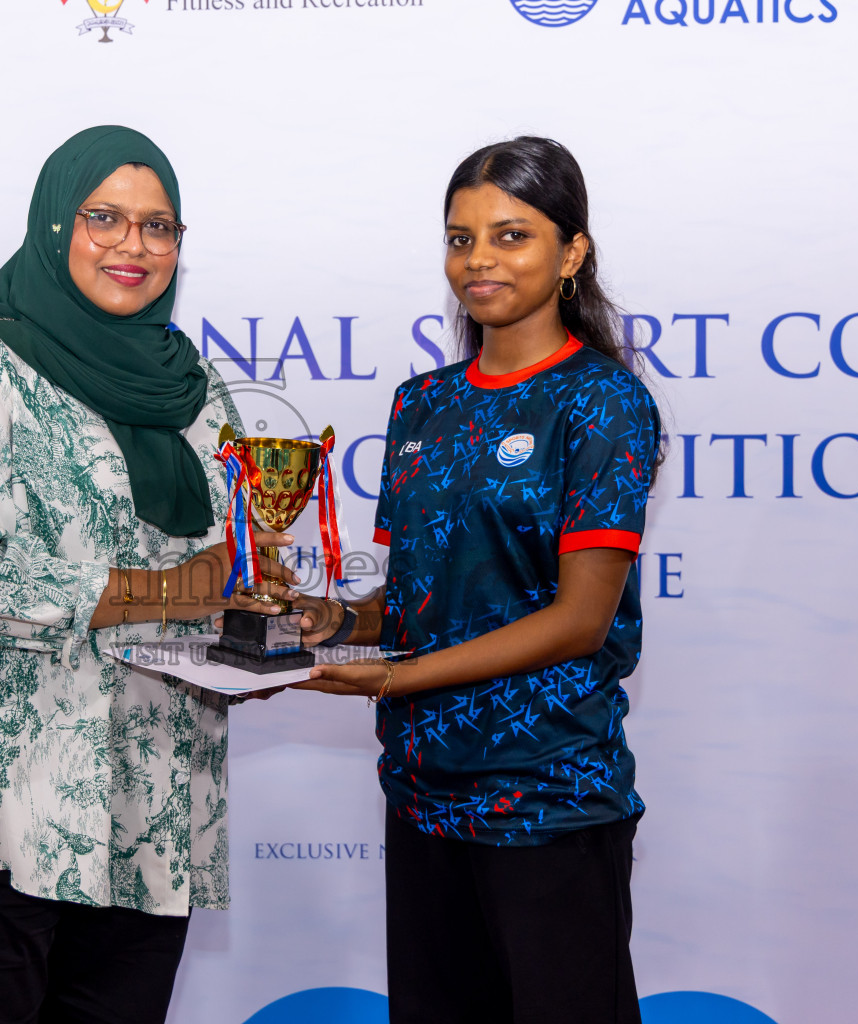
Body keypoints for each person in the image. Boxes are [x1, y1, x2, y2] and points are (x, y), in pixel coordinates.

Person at [0, 125, 296, 1024]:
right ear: (55, 223)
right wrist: (174, 591)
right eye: (104, 217)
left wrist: (258, 607)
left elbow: (227, 563)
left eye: (159, 226)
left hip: (145, 801)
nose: (133, 246)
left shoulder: (195, 388)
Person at [294, 136, 663, 1024]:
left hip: (548, 798)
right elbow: (419, 600)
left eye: (511, 236)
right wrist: (331, 623)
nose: (480, 261)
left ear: (572, 252)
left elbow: (580, 620)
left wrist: (396, 677)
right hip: (423, 796)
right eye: (461, 239)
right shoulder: (422, 403)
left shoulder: (603, 401)